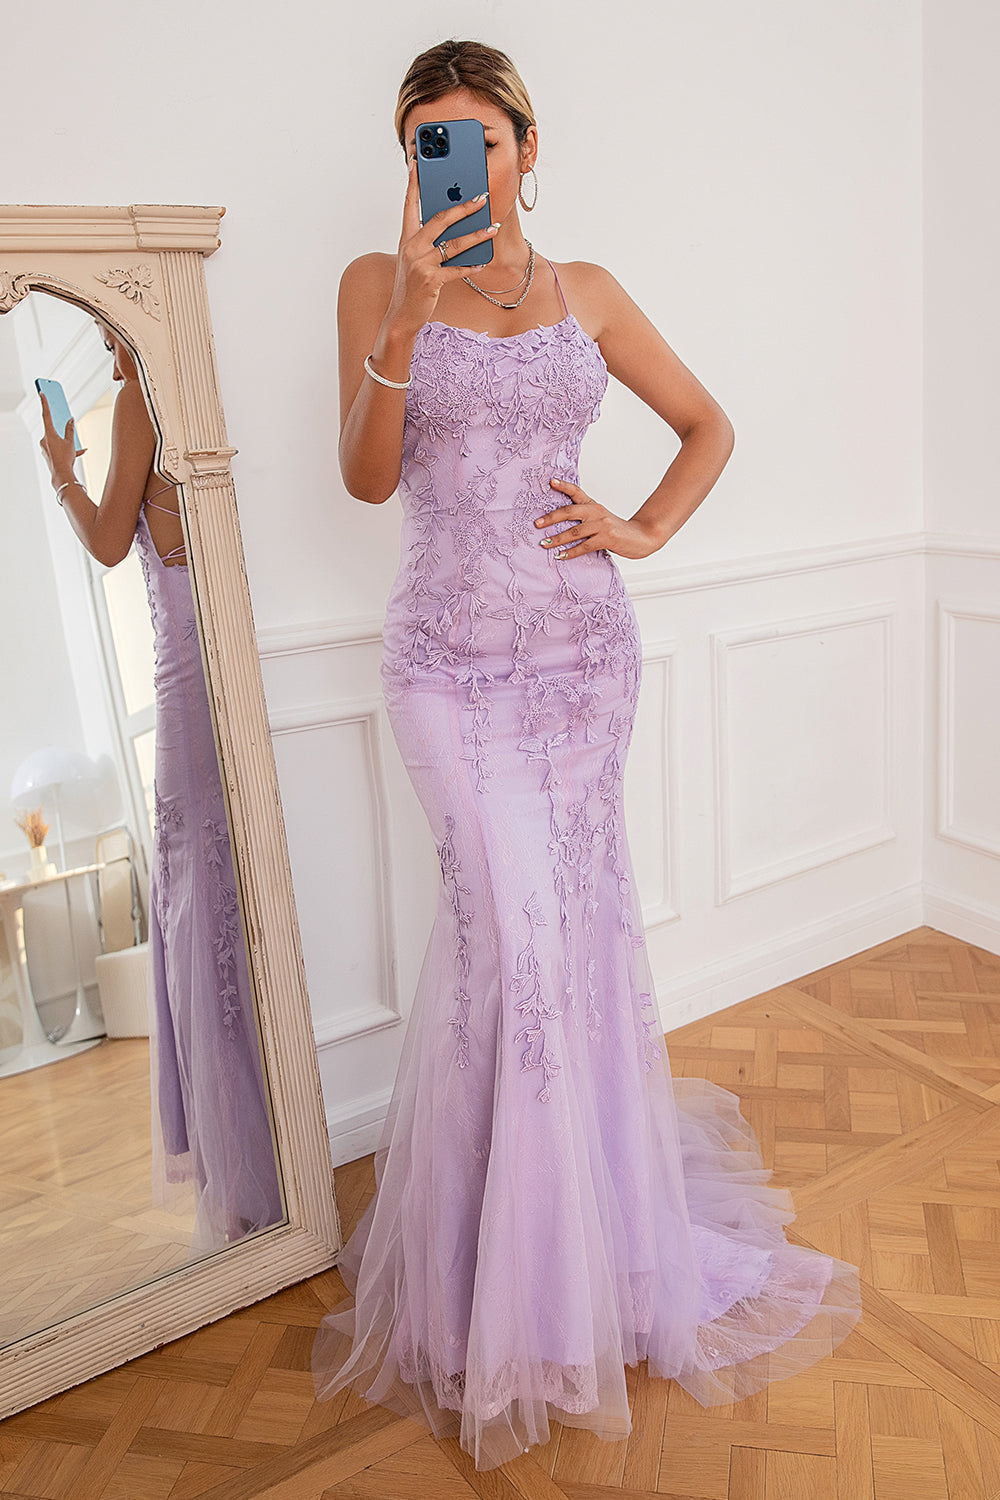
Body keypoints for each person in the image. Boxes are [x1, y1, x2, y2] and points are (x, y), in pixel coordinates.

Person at [312, 39, 860, 1470]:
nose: (455, 166)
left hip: (580, 663)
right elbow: (365, 477)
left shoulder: (589, 291)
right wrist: (407, 319)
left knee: (577, 947)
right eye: (427, 144)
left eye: (478, 140)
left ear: (527, 147)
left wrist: (645, 526)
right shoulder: (377, 283)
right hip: (447, 665)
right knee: (510, 947)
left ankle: (589, 1265)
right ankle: (495, 1280)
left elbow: (708, 424)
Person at [38, 325, 283, 1251]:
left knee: (197, 902)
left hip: (188, 671)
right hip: (238, 651)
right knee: (232, 894)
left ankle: (239, 1162)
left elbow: (111, 543)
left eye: (109, 333)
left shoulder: (144, 390)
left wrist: (62, 471)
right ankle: (271, 1139)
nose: (108, 353)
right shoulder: (213, 379)